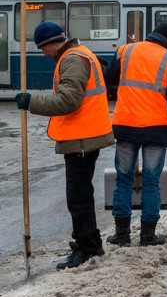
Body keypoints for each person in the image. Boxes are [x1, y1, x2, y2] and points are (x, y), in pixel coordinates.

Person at [15, 21, 114, 270]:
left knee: (78, 197)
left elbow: (68, 101)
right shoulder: (77, 54)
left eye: (42, 48)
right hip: (84, 135)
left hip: (82, 137)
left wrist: (31, 102)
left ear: (51, 43)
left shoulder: (72, 59)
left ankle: (88, 248)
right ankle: (89, 242)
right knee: (81, 195)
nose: (43, 53)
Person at [103, 22, 167, 247]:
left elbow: (108, 78)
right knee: (151, 182)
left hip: (126, 125)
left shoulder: (125, 50)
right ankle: (148, 235)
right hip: (155, 129)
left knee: (123, 179)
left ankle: (121, 234)